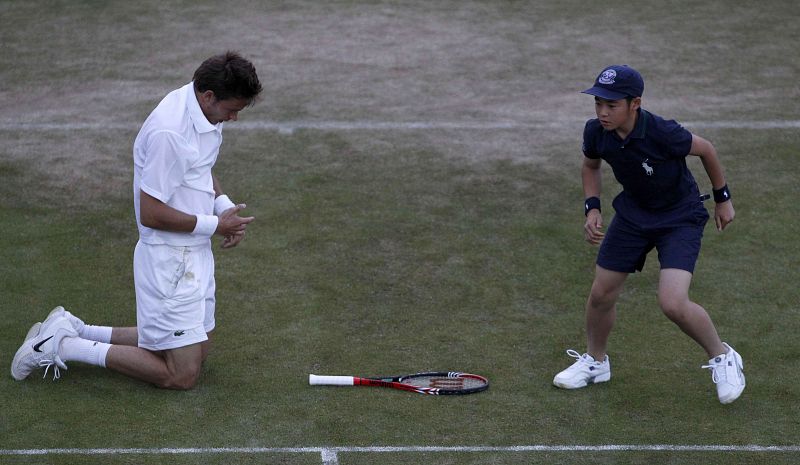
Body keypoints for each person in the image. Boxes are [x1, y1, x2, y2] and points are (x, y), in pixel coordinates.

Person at [11, 51, 263, 389]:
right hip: (170, 260)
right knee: (182, 374)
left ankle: (74, 327)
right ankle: (62, 345)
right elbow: (152, 213)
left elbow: (199, 167)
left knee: (198, 348)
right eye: (232, 110)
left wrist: (222, 207)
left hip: (194, 250)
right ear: (208, 96)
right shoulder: (169, 133)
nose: (233, 118)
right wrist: (217, 226)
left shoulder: (203, 112)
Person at [552, 65, 745, 404]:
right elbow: (590, 165)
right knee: (601, 294)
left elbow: (707, 150)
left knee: (672, 303)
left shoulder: (662, 132)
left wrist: (722, 199)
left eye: (612, 105)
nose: (602, 111)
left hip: (679, 217)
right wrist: (592, 207)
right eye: (598, 103)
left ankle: (724, 356)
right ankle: (596, 362)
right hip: (634, 215)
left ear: (635, 103)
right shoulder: (596, 132)